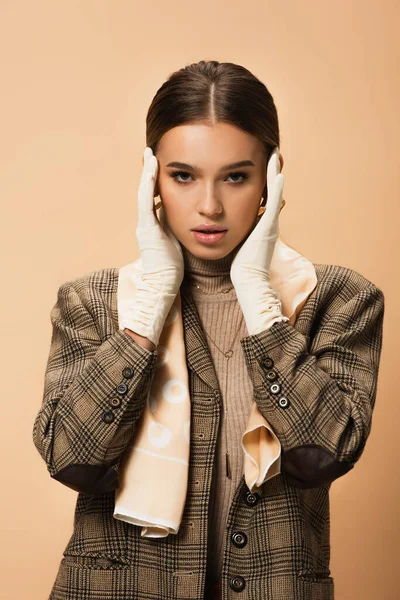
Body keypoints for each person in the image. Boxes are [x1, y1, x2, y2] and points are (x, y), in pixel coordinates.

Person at [32, 60, 385, 600]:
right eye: (184, 175)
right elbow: (72, 456)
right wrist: (150, 309)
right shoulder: (96, 303)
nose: (209, 206)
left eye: (236, 176)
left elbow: (326, 451)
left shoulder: (336, 299)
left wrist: (258, 298)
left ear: (271, 177)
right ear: (152, 178)